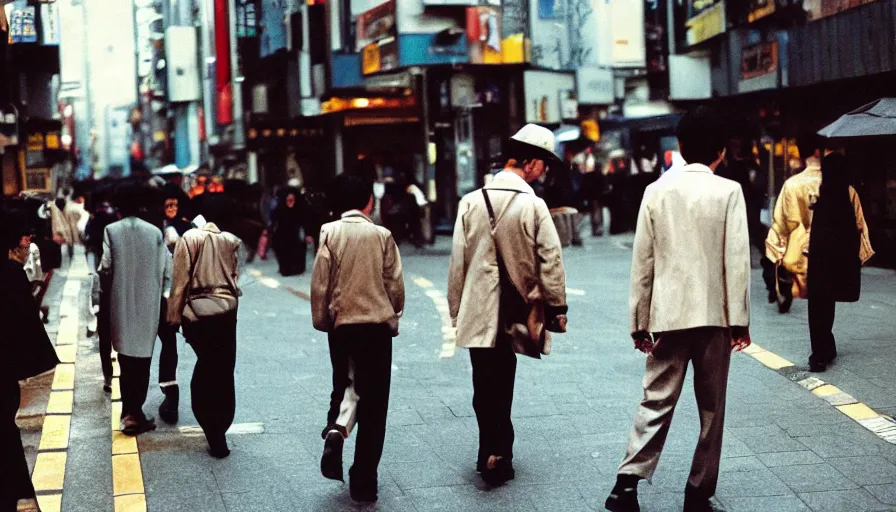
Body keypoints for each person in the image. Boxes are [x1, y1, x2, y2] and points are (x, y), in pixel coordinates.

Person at [605, 107, 751, 512]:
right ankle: (698, 492)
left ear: (681, 147)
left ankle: (626, 484)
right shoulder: (729, 192)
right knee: (712, 408)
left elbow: (644, 262)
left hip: (667, 317)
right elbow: (736, 261)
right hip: (714, 317)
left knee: (655, 399)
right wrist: (739, 320)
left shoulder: (657, 191)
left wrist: (639, 322)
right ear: (721, 151)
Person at [448, 124, 569, 486]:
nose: (544, 171)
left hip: (479, 308)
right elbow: (550, 258)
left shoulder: (471, 202)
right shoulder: (532, 205)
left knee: (483, 383)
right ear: (529, 163)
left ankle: (490, 449)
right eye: (543, 163)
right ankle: (500, 452)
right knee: (504, 379)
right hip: (517, 309)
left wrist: (456, 309)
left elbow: (459, 261)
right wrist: (557, 307)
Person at [311, 173, 404, 502]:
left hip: (343, 326)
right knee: (375, 405)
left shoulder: (329, 233)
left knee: (347, 385)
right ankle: (364, 480)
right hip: (376, 329)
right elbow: (394, 282)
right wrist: (394, 314)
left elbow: (321, 283)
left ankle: (336, 428)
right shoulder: (382, 235)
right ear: (368, 202)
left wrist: (324, 321)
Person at [167, 195, 242, 458]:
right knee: (224, 370)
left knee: (206, 366)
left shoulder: (189, 238)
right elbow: (234, 277)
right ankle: (220, 428)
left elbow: (180, 282)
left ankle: (210, 426)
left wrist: (173, 316)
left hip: (197, 315)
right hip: (227, 312)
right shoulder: (232, 241)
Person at [98, 187, 171, 436]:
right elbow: (166, 271)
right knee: (143, 361)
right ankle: (134, 412)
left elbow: (105, 267)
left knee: (125, 360)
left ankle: (128, 412)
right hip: (148, 304)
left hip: (120, 303)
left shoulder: (111, 231)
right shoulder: (155, 233)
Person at [1, 212, 59, 512]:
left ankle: (21, 496)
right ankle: (19, 497)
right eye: (25, 237)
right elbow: (23, 327)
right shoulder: (11, 274)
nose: (29, 242)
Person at [805, 151, 873, 372]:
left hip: (817, 256)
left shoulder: (816, 191)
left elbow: (806, 223)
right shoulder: (849, 192)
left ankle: (820, 352)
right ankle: (826, 347)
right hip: (839, 257)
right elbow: (860, 224)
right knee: (829, 302)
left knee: (817, 304)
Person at [765, 134, 825, 313]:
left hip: (800, 254)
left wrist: (776, 253)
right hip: (829, 253)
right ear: (817, 151)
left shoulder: (791, 185)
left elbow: (781, 224)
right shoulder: (834, 183)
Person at [271, 188, 307, 276]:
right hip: (282, 235)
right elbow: (274, 220)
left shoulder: (299, 209)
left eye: (292, 200)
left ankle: (297, 269)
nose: (290, 202)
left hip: (295, 235)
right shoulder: (279, 209)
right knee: (283, 252)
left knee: (297, 252)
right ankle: (285, 269)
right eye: (288, 200)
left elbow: (304, 221)